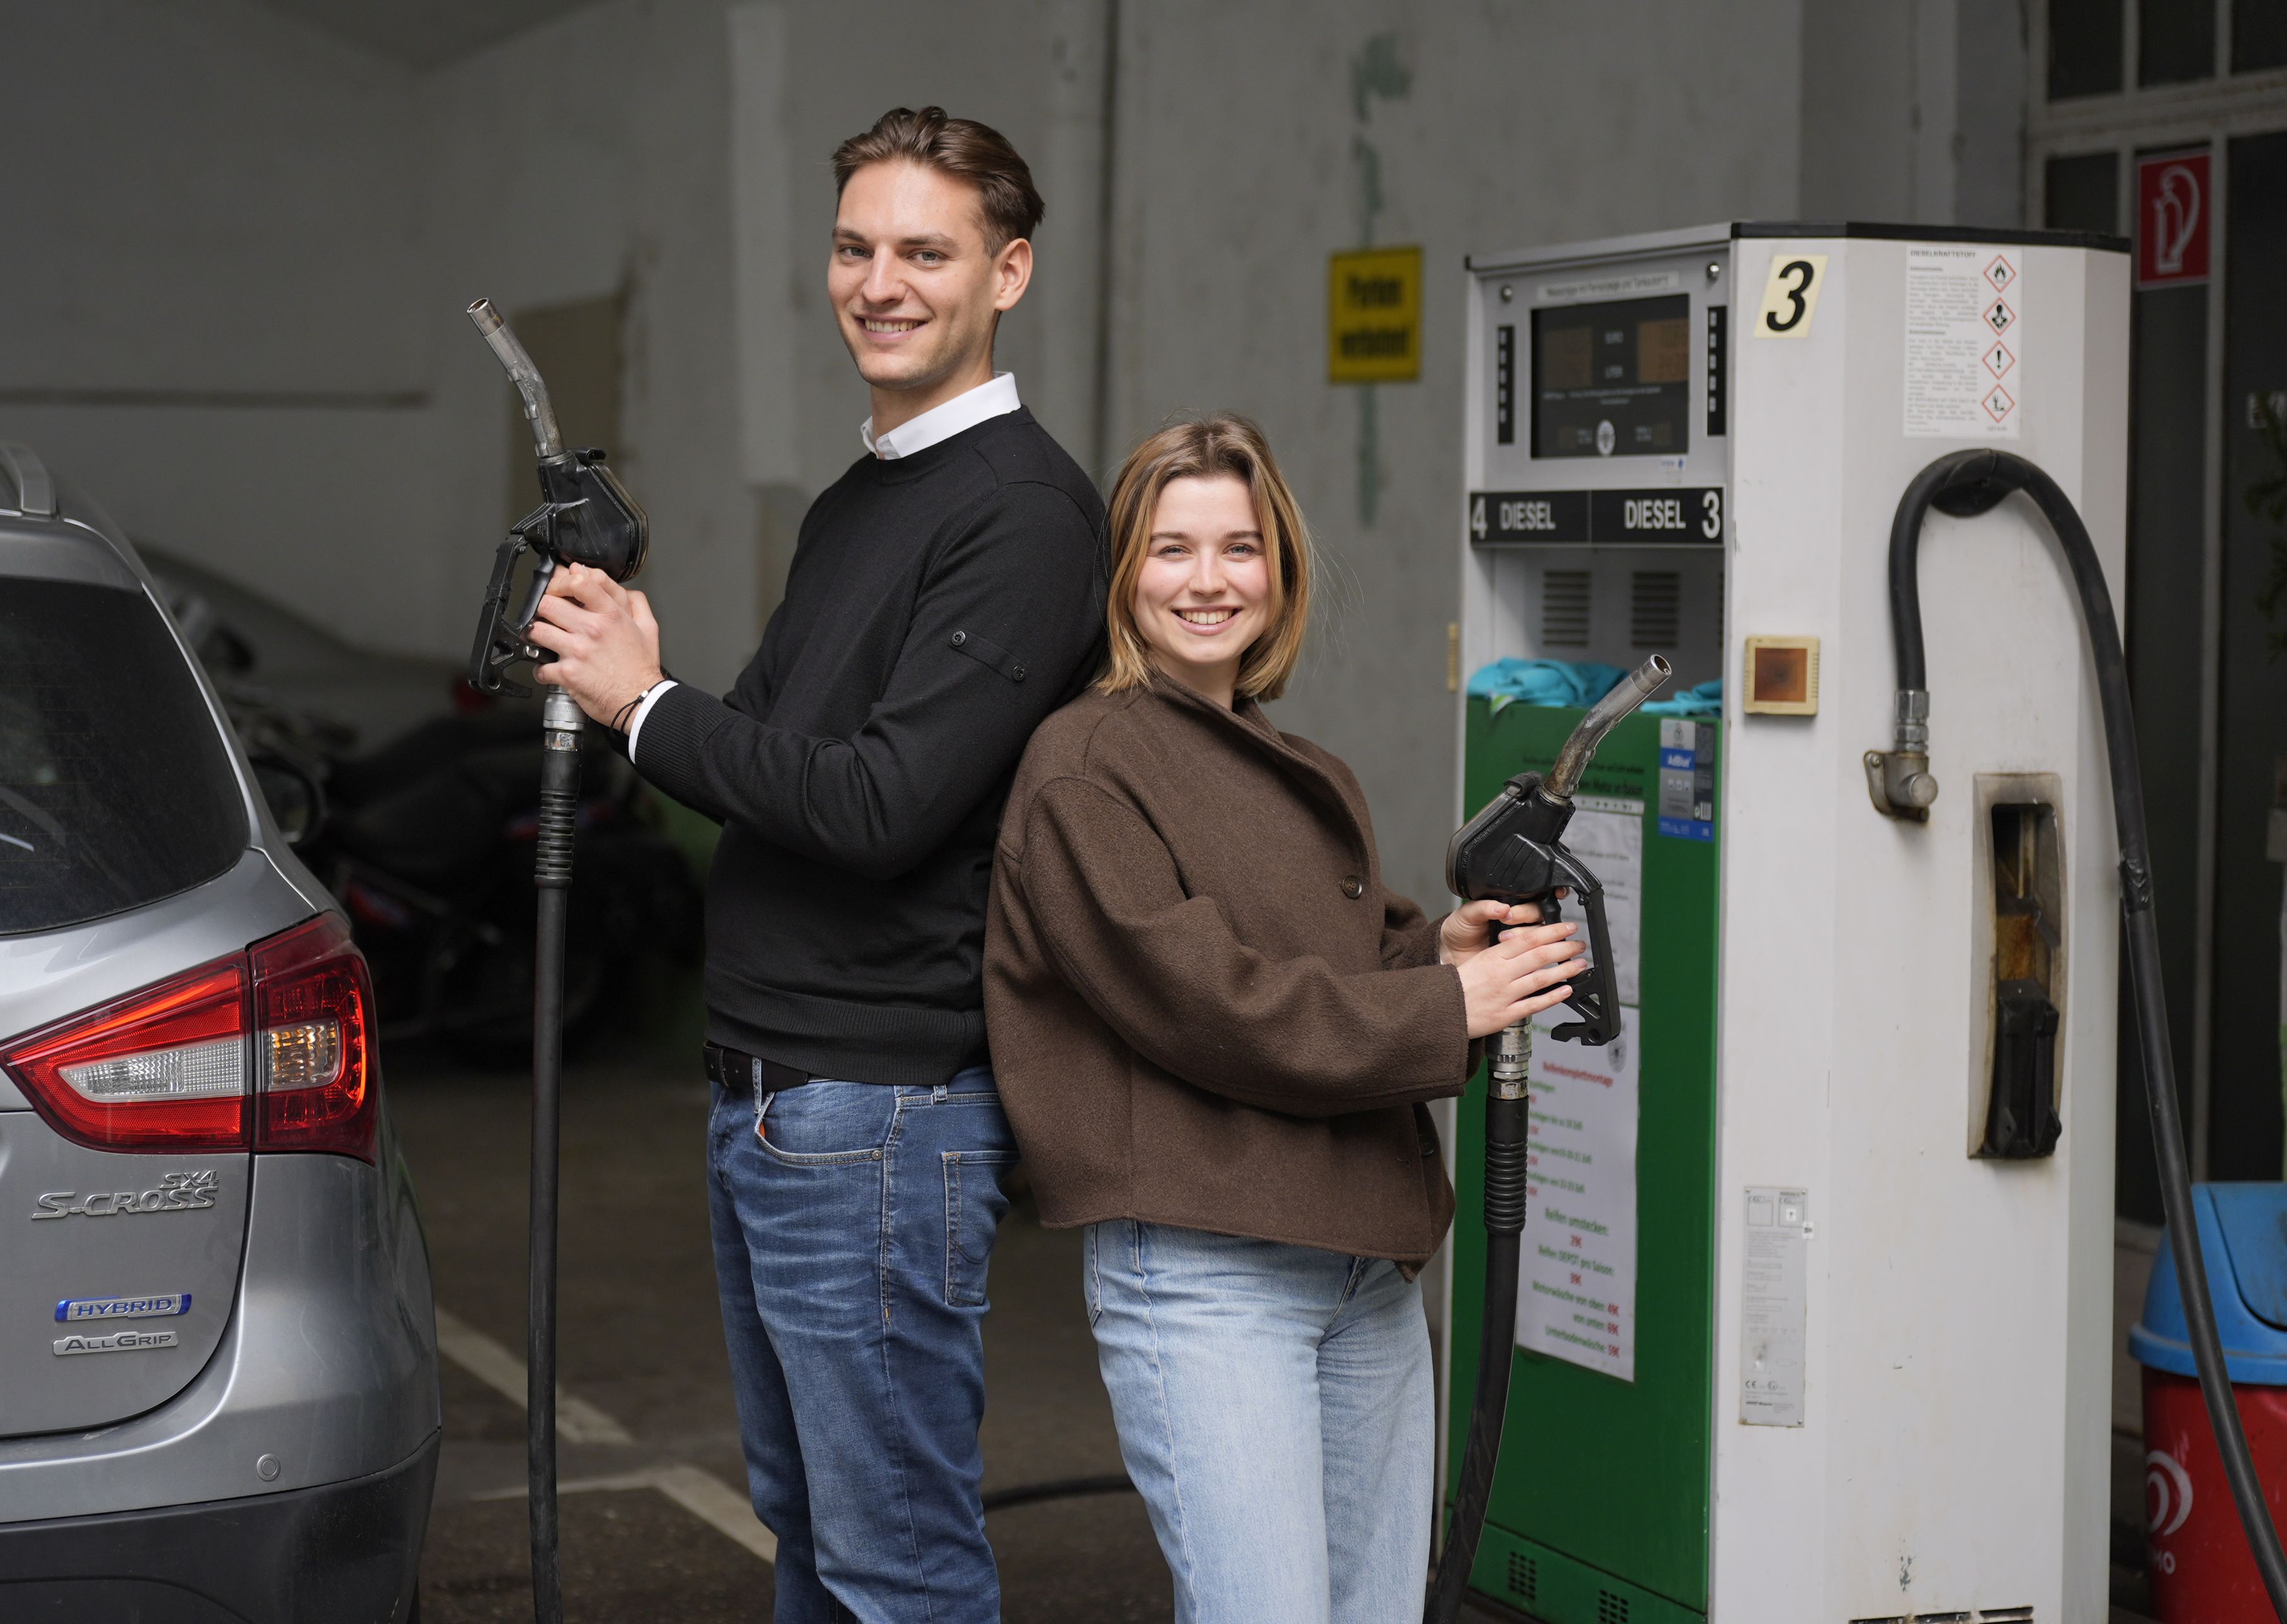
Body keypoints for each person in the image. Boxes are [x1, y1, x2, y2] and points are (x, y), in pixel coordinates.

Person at [525, 107, 1108, 1623]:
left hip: (878, 1104)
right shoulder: (866, 496)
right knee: (814, 1526)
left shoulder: (1024, 513)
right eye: (856, 246)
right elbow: (784, 754)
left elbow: (873, 806)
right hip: (781, 1091)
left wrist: (642, 708)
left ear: (1011, 271)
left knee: (892, 1552)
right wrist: (654, 678)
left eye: (926, 249)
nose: (880, 280)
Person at [982, 414, 1587, 1623]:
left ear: (1282, 570)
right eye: (1169, 550)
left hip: (1357, 1261)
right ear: (1121, 576)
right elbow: (1208, 1004)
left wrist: (1437, 952)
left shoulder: (1288, 756)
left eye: (1239, 548)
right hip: (1211, 1267)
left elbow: (1338, 960)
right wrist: (1438, 1008)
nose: (1208, 582)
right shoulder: (1084, 764)